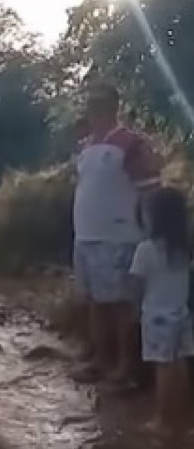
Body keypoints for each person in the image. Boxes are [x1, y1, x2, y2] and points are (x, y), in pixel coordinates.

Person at [72, 83, 162, 384]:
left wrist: (154, 230)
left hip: (120, 237)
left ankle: (127, 369)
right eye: (91, 104)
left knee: (123, 304)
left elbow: (150, 189)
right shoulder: (86, 146)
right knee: (96, 302)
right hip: (85, 236)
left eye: (100, 104)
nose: (94, 110)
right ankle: (101, 360)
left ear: (114, 106)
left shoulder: (131, 143)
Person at [129, 187, 192, 442]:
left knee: (163, 370)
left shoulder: (146, 250)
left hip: (156, 317)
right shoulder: (185, 248)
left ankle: (163, 421)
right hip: (183, 315)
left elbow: (136, 284)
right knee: (181, 366)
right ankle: (184, 421)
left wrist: (134, 308)